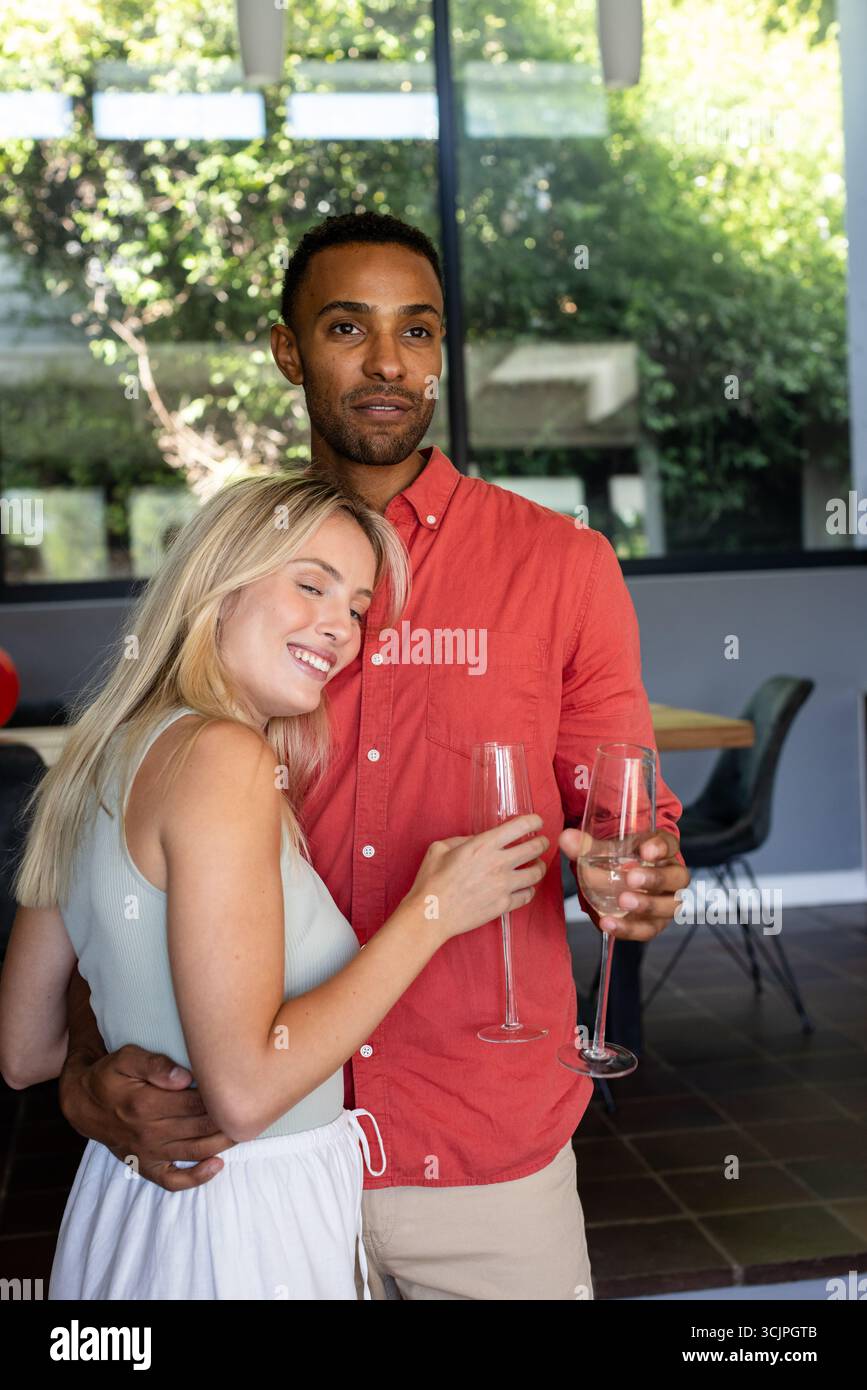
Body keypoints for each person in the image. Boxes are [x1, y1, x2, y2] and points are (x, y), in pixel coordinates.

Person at [40, 211, 690, 1301]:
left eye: (419, 331)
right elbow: (102, 851)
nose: (389, 361)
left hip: (479, 1158)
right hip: (246, 1170)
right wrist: (81, 1074)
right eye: (349, 327)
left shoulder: (563, 565)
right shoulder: (231, 579)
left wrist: (642, 874)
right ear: (290, 350)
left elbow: (630, 819)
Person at [0, 470, 550, 1299]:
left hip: (127, 1206)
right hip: (240, 1220)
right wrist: (434, 910)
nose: (339, 629)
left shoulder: (95, 754)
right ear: (217, 587)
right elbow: (248, 1090)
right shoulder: (223, 757)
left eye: (358, 608)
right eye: (310, 586)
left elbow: (24, 1052)